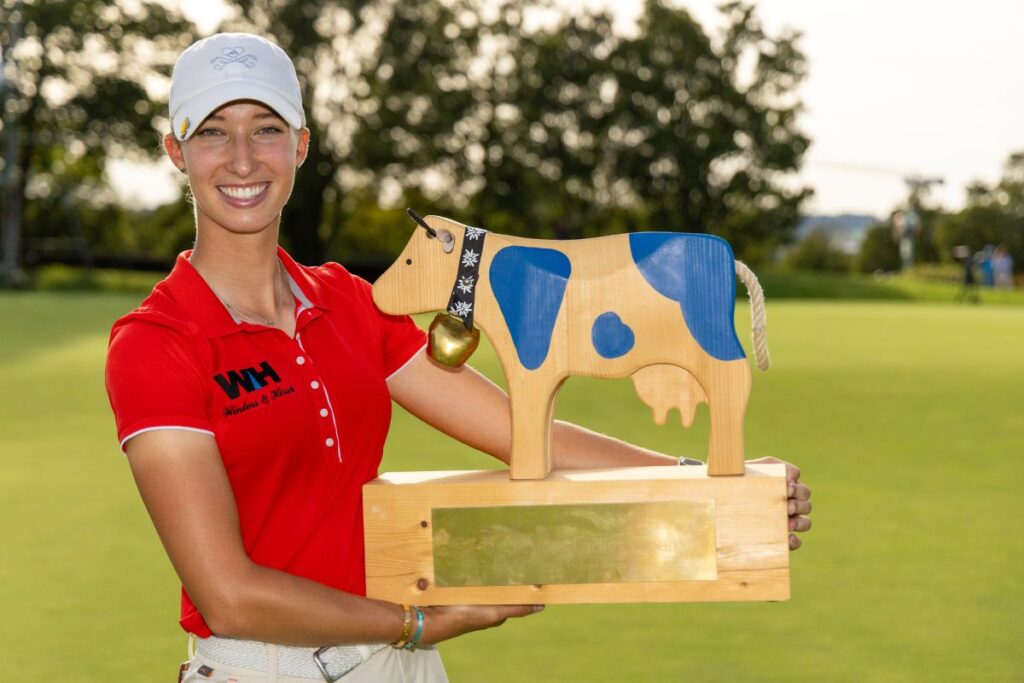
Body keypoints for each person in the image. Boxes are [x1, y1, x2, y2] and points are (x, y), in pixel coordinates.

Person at [105, 32, 813, 683]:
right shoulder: (156, 342)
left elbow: (523, 434)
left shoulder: (350, 302)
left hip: (399, 664)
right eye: (213, 133)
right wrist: (414, 622)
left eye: (266, 130)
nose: (241, 159)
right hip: (265, 667)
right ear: (176, 151)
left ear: (301, 144)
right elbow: (228, 596)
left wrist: (712, 485)